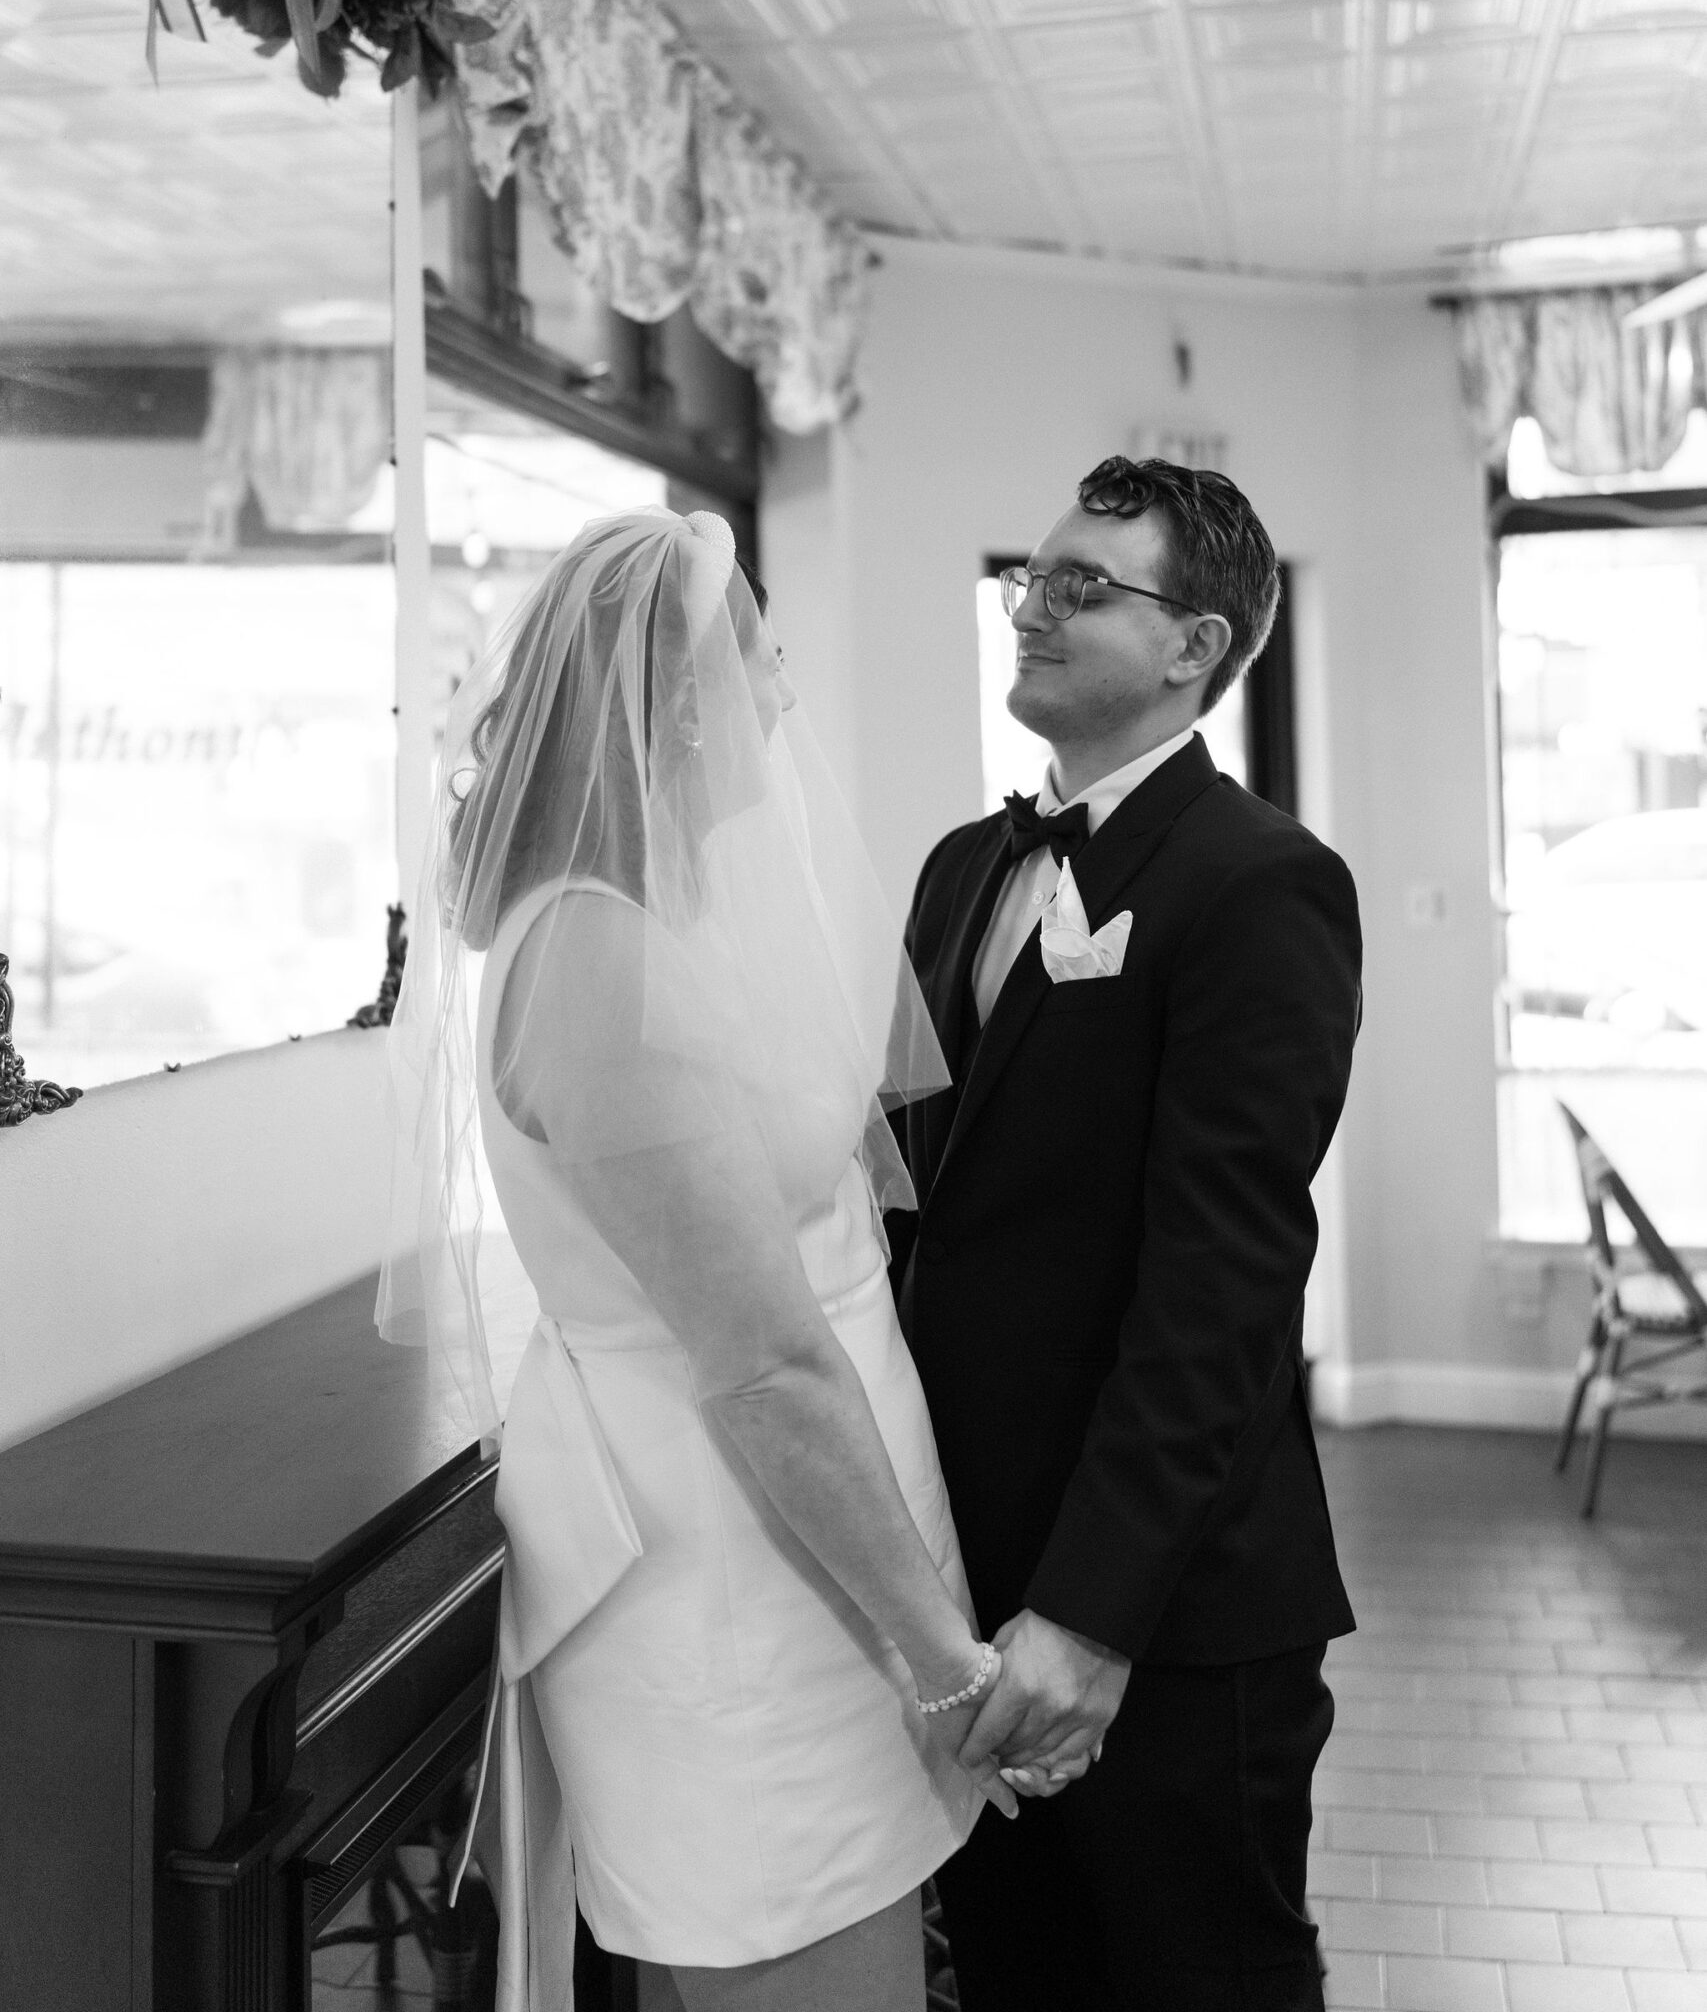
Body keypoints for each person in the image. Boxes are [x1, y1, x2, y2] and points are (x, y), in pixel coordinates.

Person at [381, 507, 1016, 2012]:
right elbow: (764, 1360)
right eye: (765, 665)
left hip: (800, 1573)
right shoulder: (598, 961)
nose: (782, 703)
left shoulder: (657, 921)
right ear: (675, 705)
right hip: (741, 1602)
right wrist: (942, 1656)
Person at [895, 456, 1362, 2012]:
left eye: (1086, 587)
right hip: (964, 1569)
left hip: (1164, 1605)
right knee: (1022, 1978)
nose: (1035, 606)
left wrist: (1091, 1616)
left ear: (1194, 648)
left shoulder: (1262, 884)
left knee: (1196, 1978)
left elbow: (1222, 1286)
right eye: (1033, 579)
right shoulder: (964, 870)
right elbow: (919, 1200)